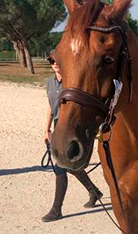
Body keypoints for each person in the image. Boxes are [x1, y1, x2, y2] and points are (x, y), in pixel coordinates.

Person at [41, 52, 103, 221]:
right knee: (68, 165)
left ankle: (56, 209)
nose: (54, 63)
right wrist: (46, 129)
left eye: (57, 61)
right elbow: (50, 106)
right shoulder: (50, 82)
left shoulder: (71, 81)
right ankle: (94, 191)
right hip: (58, 125)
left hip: (71, 126)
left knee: (62, 166)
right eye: (51, 61)